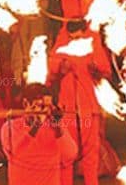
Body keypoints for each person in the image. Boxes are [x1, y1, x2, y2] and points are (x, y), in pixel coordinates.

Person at [50, 22, 111, 185]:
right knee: (67, 153)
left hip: (89, 108)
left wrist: (95, 68)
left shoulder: (93, 44)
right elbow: (51, 69)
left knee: (91, 154)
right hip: (68, 108)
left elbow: (106, 70)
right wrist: (61, 66)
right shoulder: (62, 44)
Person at [0, 83, 79, 185]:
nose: (46, 111)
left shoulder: (55, 127)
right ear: (25, 104)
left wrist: (57, 127)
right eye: (41, 106)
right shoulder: (10, 127)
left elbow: (70, 155)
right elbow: (17, 154)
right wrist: (36, 126)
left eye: (48, 106)